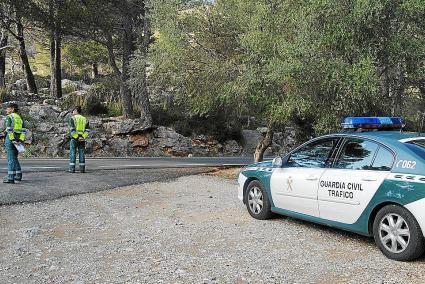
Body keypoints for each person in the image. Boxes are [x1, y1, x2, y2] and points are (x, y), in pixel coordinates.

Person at [3, 103, 26, 184]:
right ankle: (18, 176)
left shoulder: (9, 117)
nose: (6, 110)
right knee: (15, 158)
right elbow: (23, 130)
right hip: (18, 139)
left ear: (12, 109)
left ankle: (10, 178)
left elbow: (9, 129)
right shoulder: (20, 118)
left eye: (8, 108)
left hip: (11, 139)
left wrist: (12, 139)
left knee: (10, 159)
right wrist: (20, 140)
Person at [68, 106, 90, 173]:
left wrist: (77, 137)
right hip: (82, 139)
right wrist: (82, 137)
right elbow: (87, 130)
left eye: (73, 110)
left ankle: (72, 169)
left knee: (72, 152)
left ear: (76, 110)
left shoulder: (72, 118)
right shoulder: (85, 119)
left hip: (74, 138)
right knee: (81, 153)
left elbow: (72, 130)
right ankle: (82, 169)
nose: (72, 112)